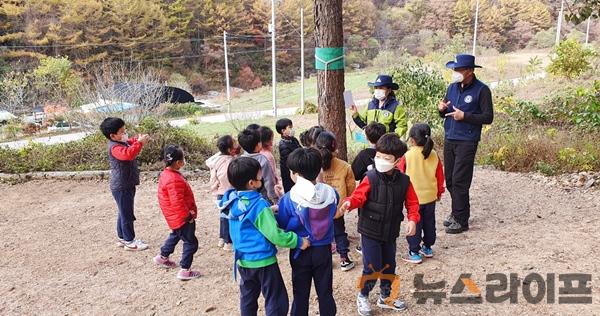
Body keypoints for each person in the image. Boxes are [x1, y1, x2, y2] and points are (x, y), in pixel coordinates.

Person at [337, 133, 420, 315]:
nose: (380, 160)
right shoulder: (371, 177)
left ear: (397, 161)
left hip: (390, 232)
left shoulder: (404, 181)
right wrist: (350, 203)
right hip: (370, 231)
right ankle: (363, 295)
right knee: (372, 266)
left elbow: (412, 203)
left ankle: (386, 296)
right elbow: (359, 195)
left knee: (389, 265)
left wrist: (413, 219)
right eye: (378, 156)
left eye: (386, 158)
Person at [219, 157, 310, 316]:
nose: (262, 178)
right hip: (263, 261)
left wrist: (271, 209)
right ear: (251, 183)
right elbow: (275, 235)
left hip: (243, 260)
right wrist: (298, 241)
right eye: (259, 177)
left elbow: (250, 220)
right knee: (275, 298)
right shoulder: (259, 205)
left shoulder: (233, 201)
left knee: (248, 297)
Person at [276, 148, 338, 316]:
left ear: (295, 174)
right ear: (318, 170)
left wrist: (280, 201)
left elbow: (282, 222)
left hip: (300, 250)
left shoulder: (289, 198)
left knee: (301, 293)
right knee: (325, 291)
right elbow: (331, 208)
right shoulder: (331, 192)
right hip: (323, 249)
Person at [438, 54, 494, 234]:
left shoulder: (482, 90)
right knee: (451, 180)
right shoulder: (452, 87)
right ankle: (456, 213)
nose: (455, 73)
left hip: (467, 141)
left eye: (458, 69)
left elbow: (488, 117)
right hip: (450, 137)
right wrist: (441, 110)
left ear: (470, 71)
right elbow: (446, 112)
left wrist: (465, 116)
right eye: (454, 69)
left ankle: (462, 220)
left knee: (461, 180)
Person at [100, 117, 150, 251]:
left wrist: (138, 140)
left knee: (123, 212)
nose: (125, 133)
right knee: (127, 213)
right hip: (122, 186)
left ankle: (122, 237)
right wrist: (139, 143)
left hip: (125, 184)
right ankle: (130, 241)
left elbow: (130, 142)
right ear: (112, 135)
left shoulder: (121, 142)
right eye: (122, 131)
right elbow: (128, 154)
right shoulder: (115, 147)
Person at [396, 124, 445, 264]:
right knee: (429, 223)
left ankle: (414, 251)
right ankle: (428, 247)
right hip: (430, 197)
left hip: (414, 198)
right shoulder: (434, 154)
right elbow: (440, 175)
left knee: (415, 224)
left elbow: (400, 174)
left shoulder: (407, 155)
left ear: (412, 140)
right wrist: (439, 191)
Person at [154, 145, 201, 280]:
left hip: (174, 217)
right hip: (182, 217)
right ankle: (185, 270)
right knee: (191, 242)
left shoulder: (166, 174)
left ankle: (163, 257)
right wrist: (189, 216)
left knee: (176, 234)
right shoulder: (174, 179)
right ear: (179, 163)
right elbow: (177, 202)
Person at [316, 131, 356, 271]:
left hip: (318, 209)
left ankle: (326, 260)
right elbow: (351, 187)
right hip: (337, 209)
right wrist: (346, 202)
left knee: (323, 235)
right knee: (339, 232)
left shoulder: (313, 164)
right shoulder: (344, 166)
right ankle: (344, 259)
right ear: (334, 146)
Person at [351, 121, 387, 255]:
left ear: (367, 137)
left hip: (367, 191)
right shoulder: (390, 152)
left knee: (365, 216)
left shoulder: (364, 155)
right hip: (387, 189)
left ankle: (364, 244)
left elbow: (354, 173)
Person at [206, 135, 240, 251]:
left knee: (223, 216)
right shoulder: (229, 162)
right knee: (229, 217)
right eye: (234, 143)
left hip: (221, 192)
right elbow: (226, 178)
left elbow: (214, 178)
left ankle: (222, 238)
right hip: (229, 193)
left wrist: (215, 188)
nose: (237, 144)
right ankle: (228, 242)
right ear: (230, 150)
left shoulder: (217, 160)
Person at [238, 128, 278, 203]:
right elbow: (268, 180)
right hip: (262, 196)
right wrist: (274, 197)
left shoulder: (240, 159)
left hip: (246, 197)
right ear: (258, 144)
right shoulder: (263, 160)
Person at [276, 118, 301, 193]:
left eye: (292, 127)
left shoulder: (293, 139)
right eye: (289, 127)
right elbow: (289, 160)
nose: (292, 129)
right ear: (283, 131)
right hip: (288, 173)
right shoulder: (283, 145)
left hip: (296, 169)